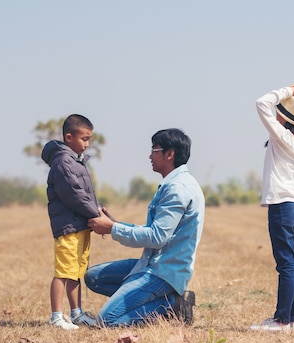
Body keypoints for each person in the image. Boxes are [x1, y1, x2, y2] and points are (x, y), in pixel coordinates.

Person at [85, 128, 205, 327]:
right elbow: (157, 230)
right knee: (94, 277)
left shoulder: (177, 188)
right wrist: (116, 223)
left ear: (170, 154)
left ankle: (171, 305)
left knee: (106, 320)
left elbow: (157, 237)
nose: (150, 156)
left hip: (163, 271)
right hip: (152, 263)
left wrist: (112, 229)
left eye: (154, 150)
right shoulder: (176, 183)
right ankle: (148, 298)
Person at [250, 84, 294, 333]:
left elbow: (261, 102)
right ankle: (293, 320)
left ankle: (280, 320)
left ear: (287, 119)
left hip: (283, 204)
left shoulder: (282, 137)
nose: (276, 114)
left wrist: (288, 90)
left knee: (286, 264)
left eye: (282, 112)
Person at [41, 114, 100, 330]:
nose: (87, 144)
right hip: (68, 227)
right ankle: (56, 316)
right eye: (84, 139)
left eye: (89, 139)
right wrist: (95, 214)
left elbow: (87, 195)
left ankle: (77, 313)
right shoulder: (63, 163)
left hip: (80, 225)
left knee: (75, 271)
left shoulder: (76, 162)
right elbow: (74, 195)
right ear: (69, 137)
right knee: (63, 271)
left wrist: (100, 213)